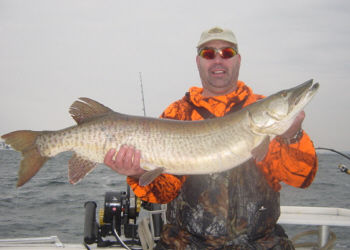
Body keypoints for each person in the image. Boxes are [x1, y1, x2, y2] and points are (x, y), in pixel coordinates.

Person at [104, 27, 318, 249]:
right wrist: (138, 172)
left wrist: (292, 136)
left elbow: (301, 178)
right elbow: (164, 192)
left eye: (227, 53)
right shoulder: (177, 114)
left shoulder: (267, 122)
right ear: (198, 61)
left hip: (258, 243)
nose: (218, 60)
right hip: (186, 243)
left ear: (238, 60)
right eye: (208, 54)